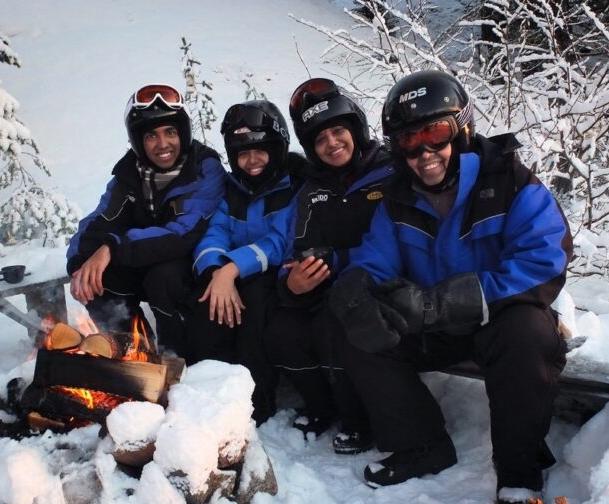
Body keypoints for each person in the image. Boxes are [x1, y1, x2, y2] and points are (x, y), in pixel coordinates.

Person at [327, 70, 573, 504]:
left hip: (496, 318)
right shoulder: (398, 199)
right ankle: (421, 445)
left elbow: (544, 260)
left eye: (434, 133)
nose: (424, 153)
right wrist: (356, 293)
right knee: (359, 332)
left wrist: (447, 301)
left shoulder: (512, 183)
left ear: (461, 129)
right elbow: (373, 260)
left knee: (528, 333)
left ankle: (519, 470)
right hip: (432, 324)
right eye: (408, 141)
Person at [265, 78, 395, 454]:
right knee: (282, 330)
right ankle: (324, 406)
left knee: (336, 322)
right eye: (320, 140)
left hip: (387, 283)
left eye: (338, 131)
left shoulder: (390, 172)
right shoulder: (311, 191)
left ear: (356, 129)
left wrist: (338, 262)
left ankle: (361, 417)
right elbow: (296, 247)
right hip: (327, 285)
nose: (332, 144)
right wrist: (291, 284)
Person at [66, 83, 227, 357]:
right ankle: (134, 355)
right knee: (98, 277)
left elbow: (182, 234)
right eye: (151, 135)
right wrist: (82, 263)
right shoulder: (130, 174)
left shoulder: (204, 169)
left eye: (171, 132)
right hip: (145, 255)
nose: (163, 144)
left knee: (162, 277)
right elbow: (101, 219)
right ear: (139, 141)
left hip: (198, 265)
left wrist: (113, 248)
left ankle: (180, 360)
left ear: (183, 133)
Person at [187, 100, 305, 424]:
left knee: (255, 300)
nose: (251, 161)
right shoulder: (231, 189)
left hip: (274, 276)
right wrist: (214, 271)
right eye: (242, 153)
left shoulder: (294, 185)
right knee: (207, 299)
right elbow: (214, 233)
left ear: (277, 149)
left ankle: (256, 395)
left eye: (260, 151)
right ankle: (210, 388)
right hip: (230, 271)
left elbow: (281, 241)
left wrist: (232, 268)